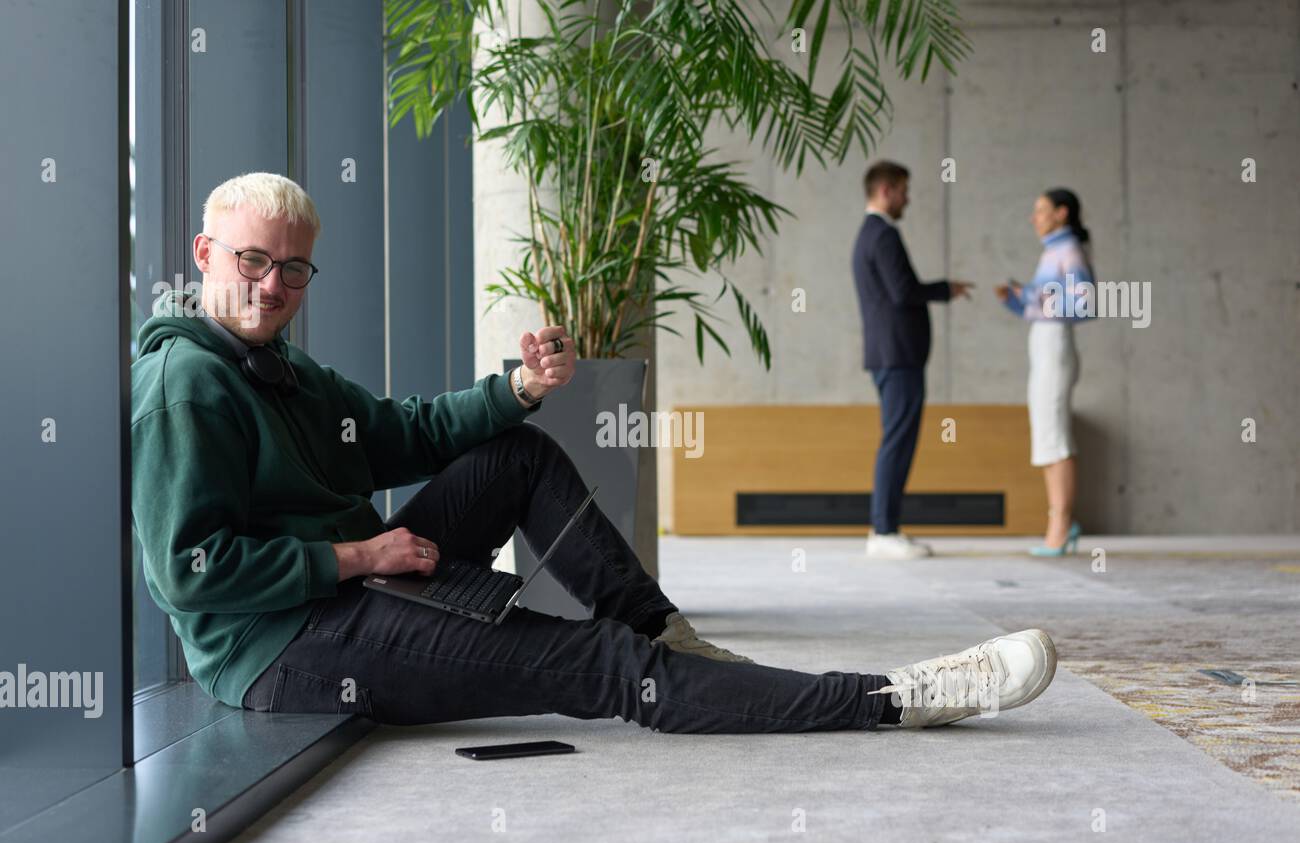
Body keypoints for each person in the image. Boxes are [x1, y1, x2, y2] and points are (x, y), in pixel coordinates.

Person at [131, 171, 1057, 734]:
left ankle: (670, 639)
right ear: (207, 253)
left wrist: (518, 390)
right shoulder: (190, 383)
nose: (273, 285)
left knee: (518, 454)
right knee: (605, 669)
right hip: (282, 647)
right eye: (253, 261)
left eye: (293, 268)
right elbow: (190, 571)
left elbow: (401, 434)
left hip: (350, 587)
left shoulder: (276, 366)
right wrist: (357, 555)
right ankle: (891, 698)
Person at [853, 161, 973, 560]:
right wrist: (945, 288)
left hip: (891, 355)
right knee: (897, 441)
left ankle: (885, 528)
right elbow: (903, 292)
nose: (908, 198)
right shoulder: (883, 234)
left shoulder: (869, 234)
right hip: (897, 355)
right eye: (904, 190)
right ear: (886, 190)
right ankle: (884, 531)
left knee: (897, 438)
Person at [995, 188, 1095, 556]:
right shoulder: (1051, 252)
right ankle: (1059, 520)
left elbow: (1085, 304)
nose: (1033, 217)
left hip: (1055, 345)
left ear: (1061, 213)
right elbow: (1042, 306)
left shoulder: (1068, 252)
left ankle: (1062, 522)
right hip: (1043, 342)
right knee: (1046, 434)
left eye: (1040, 210)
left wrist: (1035, 298)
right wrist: (1018, 301)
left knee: (1056, 435)